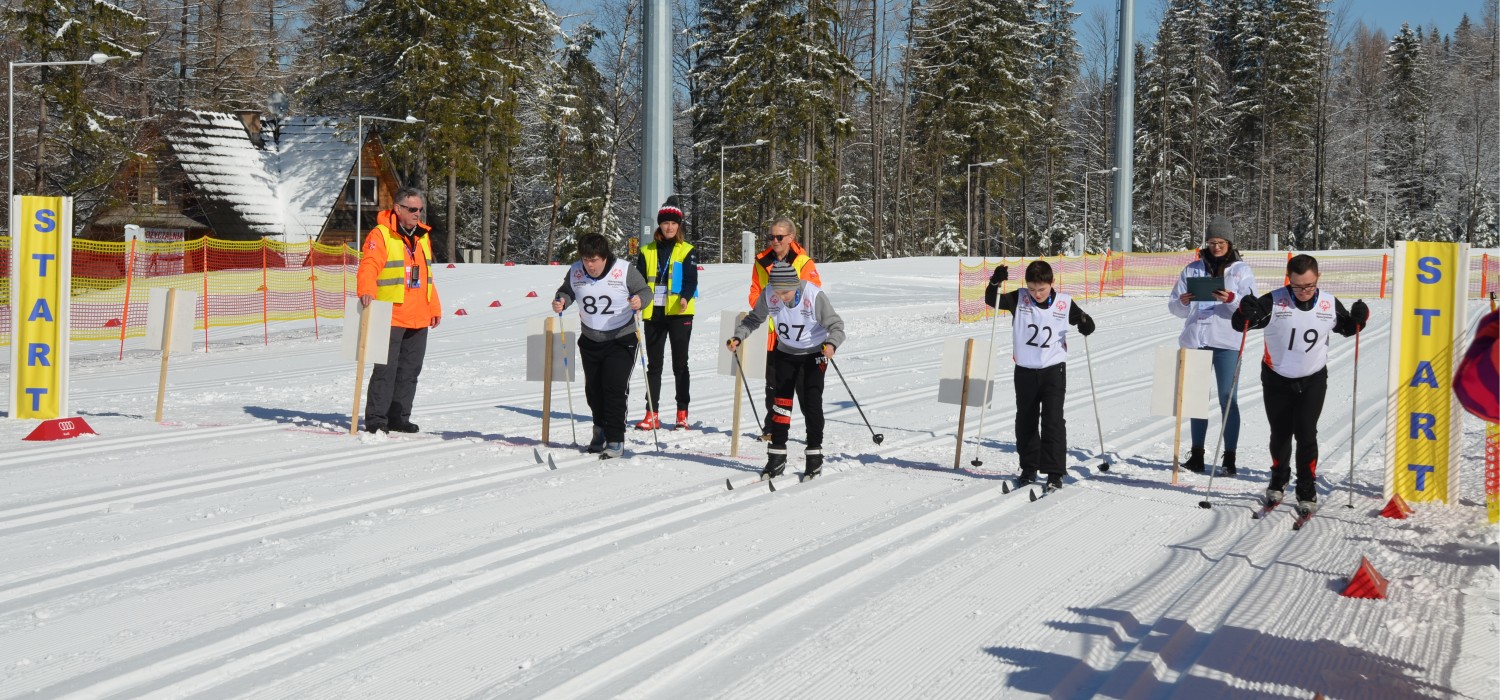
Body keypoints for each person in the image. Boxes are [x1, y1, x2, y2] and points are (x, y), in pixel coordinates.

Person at [1233, 254, 1368, 516]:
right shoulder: (1274, 301)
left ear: (1318, 279)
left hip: (1313, 378)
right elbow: (1243, 325)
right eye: (1297, 286)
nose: (1304, 291)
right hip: (1276, 378)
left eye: (1309, 285)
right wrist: (1243, 310)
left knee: (1307, 433)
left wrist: (1360, 317)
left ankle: (1306, 486)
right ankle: (1279, 478)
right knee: (1280, 433)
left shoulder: (1328, 303)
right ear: (1288, 280)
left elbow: (1350, 327)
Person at [983, 260, 1096, 492]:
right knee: (1025, 420)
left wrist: (1086, 324)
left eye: (1042, 289)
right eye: (1033, 289)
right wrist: (995, 282)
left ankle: (1055, 472)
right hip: (1024, 370)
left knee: (1053, 420)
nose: (1037, 294)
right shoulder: (1019, 298)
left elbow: (1086, 323)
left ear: (1051, 283)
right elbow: (990, 300)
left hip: (1053, 369)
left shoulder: (1064, 303)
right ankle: (1028, 468)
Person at [728, 261, 846, 480]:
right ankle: (777, 455)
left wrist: (832, 344)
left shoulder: (813, 295)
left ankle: (814, 455)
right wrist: (738, 336)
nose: (782, 297)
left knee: (811, 403)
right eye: (778, 292)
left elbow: (836, 326)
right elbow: (754, 319)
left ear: (795, 285)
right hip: (785, 352)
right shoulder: (769, 293)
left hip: (814, 353)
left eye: (786, 292)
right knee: (780, 404)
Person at [1167, 215, 1257, 475]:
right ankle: (1197, 456)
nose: (1216, 246)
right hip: (1196, 339)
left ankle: (1229, 457)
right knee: (1195, 400)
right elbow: (1174, 306)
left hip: (1226, 341)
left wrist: (1230, 297)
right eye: (1211, 241)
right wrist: (1183, 301)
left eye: (1220, 242)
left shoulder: (1240, 270)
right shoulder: (1192, 268)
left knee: (1228, 399)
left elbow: (1252, 306)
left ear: (1229, 243)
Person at [552, 233, 650, 459]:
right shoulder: (576, 270)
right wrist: (562, 300)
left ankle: (615, 439)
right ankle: (600, 431)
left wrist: (639, 300)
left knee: (614, 388)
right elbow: (567, 289)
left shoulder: (624, 270)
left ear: (605, 257)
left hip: (621, 338)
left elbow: (645, 291)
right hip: (591, 339)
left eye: (594, 260)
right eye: (586, 259)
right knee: (593, 390)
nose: (590, 265)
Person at [357, 186, 442, 434]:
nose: (418, 214)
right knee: (385, 370)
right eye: (413, 209)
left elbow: (427, 276)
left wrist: (434, 307)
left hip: (419, 314)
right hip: (391, 314)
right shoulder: (381, 235)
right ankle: (376, 420)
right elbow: (369, 265)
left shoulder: (423, 236)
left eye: (420, 209)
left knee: (410, 371)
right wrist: (366, 289)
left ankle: (399, 417)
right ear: (398, 208)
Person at [747, 218, 823, 440]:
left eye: (779, 237)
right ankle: (772, 429)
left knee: (804, 386)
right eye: (771, 237)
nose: (774, 241)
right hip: (773, 332)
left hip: (801, 335)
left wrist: (787, 307)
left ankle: (813, 433)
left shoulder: (803, 262)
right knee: (774, 384)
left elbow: (814, 294)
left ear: (791, 238)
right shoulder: (761, 261)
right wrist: (768, 307)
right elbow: (754, 292)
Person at [632, 196, 699, 431]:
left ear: (679, 225)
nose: (669, 227)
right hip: (654, 313)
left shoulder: (687, 250)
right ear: (659, 224)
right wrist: (637, 300)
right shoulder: (646, 250)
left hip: (680, 313)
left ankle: (682, 413)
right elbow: (638, 280)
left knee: (680, 365)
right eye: (665, 223)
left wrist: (684, 297)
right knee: (654, 365)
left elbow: (691, 280)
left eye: (673, 223)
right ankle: (652, 413)